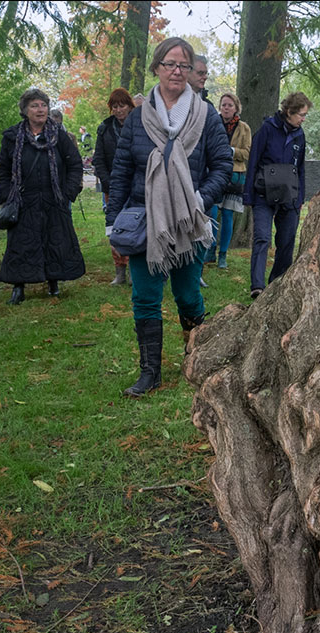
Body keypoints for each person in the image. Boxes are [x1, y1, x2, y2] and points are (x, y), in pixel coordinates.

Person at [105, 37, 231, 397]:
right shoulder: (138, 118)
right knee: (144, 297)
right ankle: (150, 373)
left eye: (184, 65)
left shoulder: (206, 116)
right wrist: (113, 220)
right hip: (146, 221)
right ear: (157, 68)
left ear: (191, 73)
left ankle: (199, 362)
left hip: (189, 223)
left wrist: (199, 200)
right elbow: (121, 169)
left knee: (188, 295)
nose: (177, 71)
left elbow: (222, 166)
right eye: (170, 64)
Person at [0, 88, 86, 305]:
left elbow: (74, 164)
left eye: (43, 105)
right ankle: (19, 287)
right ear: (25, 110)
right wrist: (9, 195)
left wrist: (68, 193)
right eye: (35, 105)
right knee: (21, 244)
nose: (40, 110)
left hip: (53, 199)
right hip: (23, 200)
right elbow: (2, 168)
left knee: (54, 241)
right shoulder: (12, 137)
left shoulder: (59, 136)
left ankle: (53, 282)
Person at [244, 91, 311, 299]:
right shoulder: (267, 129)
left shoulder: (300, 135)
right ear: (289, 112)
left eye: (305, 115)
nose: (303, 119)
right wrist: (249, 195)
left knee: (288, 238)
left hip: (289, 195)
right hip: (263, 193)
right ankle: (257, 286)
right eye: (301, 114)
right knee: (262, 238)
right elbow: (253, 160)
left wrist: (300, 198)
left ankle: (278, 282)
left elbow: (300, 168)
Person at [92, 88, 135, 286]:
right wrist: (108, 182)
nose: (119, 110)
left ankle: (136, 271)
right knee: (115, 228)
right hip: (113, 186)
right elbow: (98, 159)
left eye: (122, 106)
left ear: (129, 106)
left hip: (137, 186)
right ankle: (120, 272)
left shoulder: (140, 124)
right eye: (115, 107)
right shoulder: (105, 129)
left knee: (137, 228)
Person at [213, 92, 251, 271]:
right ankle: (209, 251)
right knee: (212, 213)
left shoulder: (244, 128)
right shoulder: (213, 122)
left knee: (227, 215)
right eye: (223, 105)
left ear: (236, 108)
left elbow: (247, 153)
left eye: (229, 105)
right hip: (213, 173)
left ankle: (223, 255)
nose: (226, 108)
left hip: (235, 174)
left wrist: (232, 151)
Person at [187, 55, 215, 281]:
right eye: (201, 72)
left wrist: (203, 196)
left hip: (197, 191)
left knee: (197, 237)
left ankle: (197, 274)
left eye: (206, 73)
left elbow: (220, 159)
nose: (205, 77)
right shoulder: (157, 107)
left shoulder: (208, 110)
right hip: (165, 193)